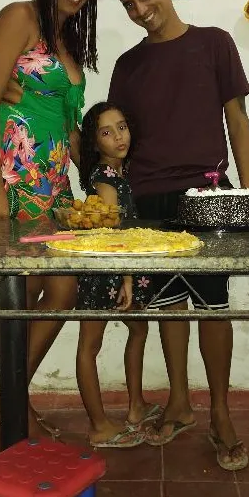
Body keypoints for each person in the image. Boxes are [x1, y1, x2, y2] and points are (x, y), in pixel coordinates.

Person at [108, 0, 249, 470]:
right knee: (169, 305)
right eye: (128, 3)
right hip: (148, 200)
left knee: (215, 308)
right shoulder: (128, 66)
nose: (140, 9)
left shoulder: (214, 42)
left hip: (210, 195)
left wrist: (248, 199)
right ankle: (179, 402)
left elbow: (237, 121)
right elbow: (116, 144)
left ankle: (220, 412)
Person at [0, 0, 99, 437]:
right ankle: (11, 405)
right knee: (23, 290)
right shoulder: (19, 17)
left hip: (52, 184)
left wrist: (104, 173)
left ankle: (9, 400)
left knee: (63, 286)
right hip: (9, 175)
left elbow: (68, 126)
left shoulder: (68, 40)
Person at [76, 102, 160, 447]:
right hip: (105, 270)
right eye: (106, 132)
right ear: (95, 143)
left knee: (139, 328)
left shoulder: (121, 173)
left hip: (122, 268)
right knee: (89, 345)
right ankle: (98, 425)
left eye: (122, 127)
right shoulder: (106, 178)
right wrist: (126, 277)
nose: (118, 136)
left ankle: (136, 405)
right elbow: (111, 230)